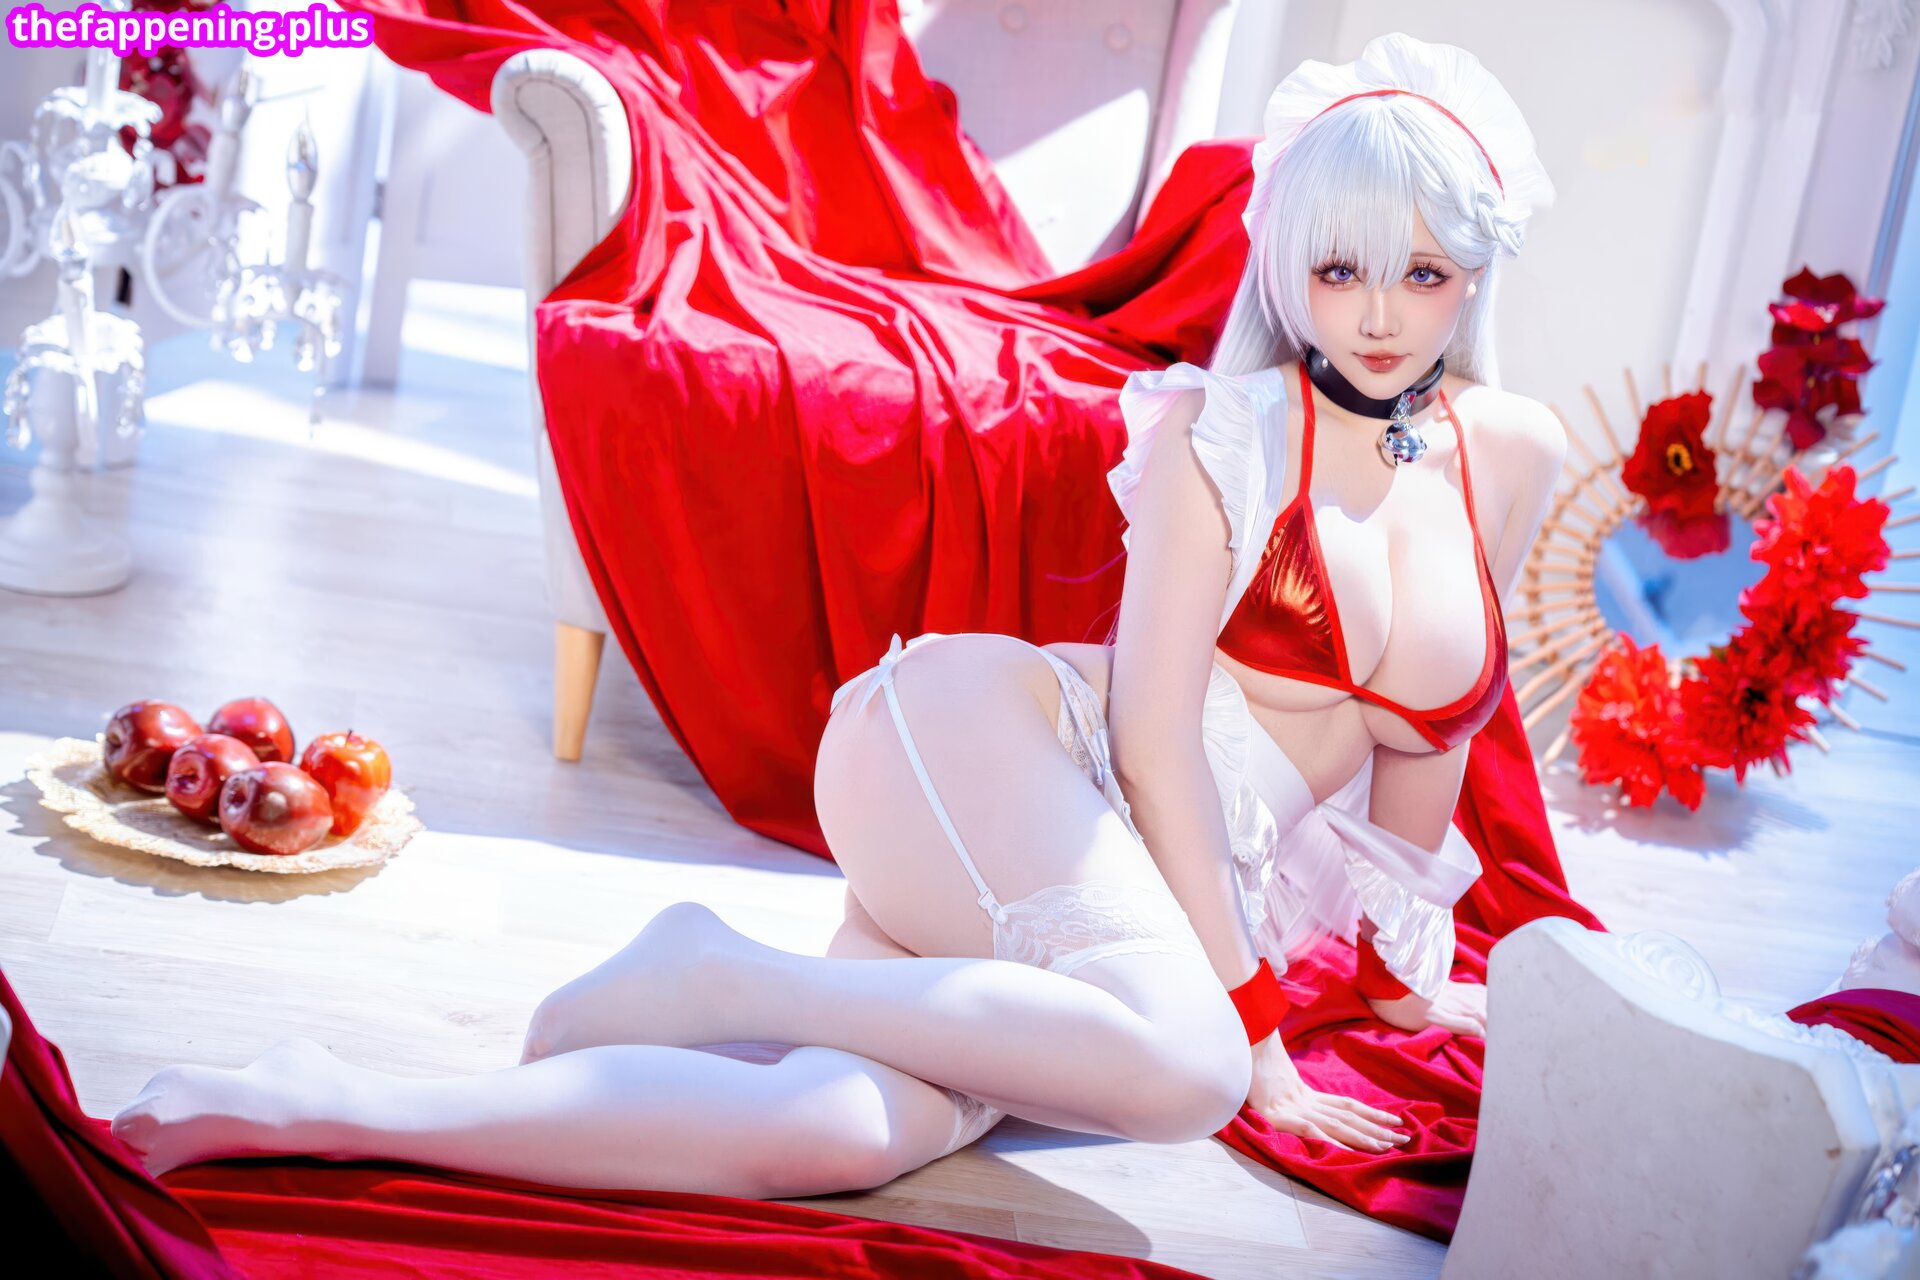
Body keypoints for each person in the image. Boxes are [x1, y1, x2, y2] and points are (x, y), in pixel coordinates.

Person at [109, 32, 1564, 1198]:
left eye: (1421, 273)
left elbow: (1428, 747)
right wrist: (1253, 1023)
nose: (1379, 315)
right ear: (1286, 268)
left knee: (842, 1135)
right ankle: (721, 973)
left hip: (1082, 876)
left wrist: (1399, 990)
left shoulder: (1512, 454)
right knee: (1192, 1071)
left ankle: (331, 1107)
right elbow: (1154, 735)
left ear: (1476, 272)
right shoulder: (1221, 433)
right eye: (1337, 270)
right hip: (994, 756)